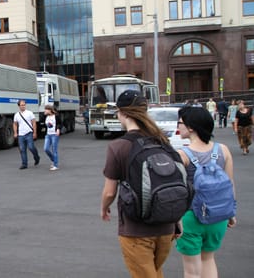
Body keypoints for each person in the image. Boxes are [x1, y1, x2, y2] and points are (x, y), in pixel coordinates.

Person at [100, 90, 176, 278]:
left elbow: (110, 192)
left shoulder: (118, 146)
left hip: (136, 229)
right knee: (155, 272)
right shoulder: (162, 140)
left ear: (122, 113)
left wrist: (104, 208)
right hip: (167, 224)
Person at [176, 106, 237, 277]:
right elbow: (230, 183)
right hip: (219, 215)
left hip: (190, 217)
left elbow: (179, 192)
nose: (177, 126)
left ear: (191, 127)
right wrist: (231, 213)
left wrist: (174, 220)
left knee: (191, 269)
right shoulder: (223, 150)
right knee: (208, 259)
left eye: (180, 122)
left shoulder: (182, 155)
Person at [13, 99, 40, 170]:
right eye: (21, 105)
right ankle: (24, 164)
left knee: (31, 147)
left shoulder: (29, 113)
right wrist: (15, 133)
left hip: (29, 133)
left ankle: (36, 157)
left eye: (24, 105)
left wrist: (34, 132)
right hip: (21, 135)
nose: (23, 106)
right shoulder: (16, 115)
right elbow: (15, 124)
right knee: (22, 149)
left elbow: (34, 123)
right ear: (19, 106)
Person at [43, 105, 61, 171]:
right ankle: (53, 159)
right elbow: (45, 125)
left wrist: (58, 129)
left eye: (46, 109)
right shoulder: (46, 117)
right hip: (48, 135)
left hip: (54, 135)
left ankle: (55, 165)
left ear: (50, 110)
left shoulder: (56, 116)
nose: (44, 111)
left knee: (54, 150)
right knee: (46, 149)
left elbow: (59, 123)